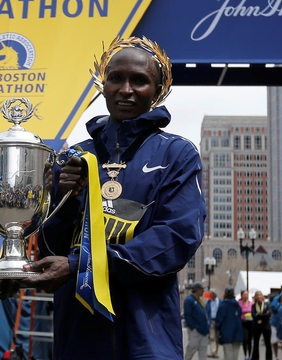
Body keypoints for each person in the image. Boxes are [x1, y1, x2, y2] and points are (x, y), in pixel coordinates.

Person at [15, 36, 206, 358]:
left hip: (146, 335)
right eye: (115, 78)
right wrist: (64, 200)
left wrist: (81, 265)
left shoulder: (177, 153)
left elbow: (177, 238)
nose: (126, 89)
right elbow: (48, 248)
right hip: (78, 334)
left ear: (158, 91)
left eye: (140, 81)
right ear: (102, 84)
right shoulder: (73, 157)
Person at [217, 287, 244, 360]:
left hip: (226, 332)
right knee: (235, 353)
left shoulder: (223, 305)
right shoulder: (237, 305)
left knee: (228, 353)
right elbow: (239, 315)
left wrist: (217, 328)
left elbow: (219, 320)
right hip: (237, 331)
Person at [185, 282, 210, 360]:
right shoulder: (190, 300)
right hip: (196, 330)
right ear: (197, 290)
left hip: (203, 330)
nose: (203, 291)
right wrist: (192, 327)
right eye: (202, 289)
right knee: (191, 348)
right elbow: (187, 314)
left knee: (203, 350)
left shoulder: (199, 300)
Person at [252, 291, 272, 360]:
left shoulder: (267, 305)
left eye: (260, 295)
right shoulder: (253, 306)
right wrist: (263, 315)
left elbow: (268, 315)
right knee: (256, 344)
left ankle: (269, 358)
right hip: (256, 326)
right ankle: (255, 358)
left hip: (266, 326)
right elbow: (254, 315)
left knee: (268, 344)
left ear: (262, 297)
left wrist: (259, 315)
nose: (258, 297)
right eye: (257, 295)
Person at [270, 292, 282, 360]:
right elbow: (273, 309)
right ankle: (276, 357)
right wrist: (281, 303)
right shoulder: (276, 302)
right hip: (275, 323)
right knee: (275, 341)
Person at [239, 289, 254, 359]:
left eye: (247, 294)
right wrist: (244, 313)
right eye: (244, 294)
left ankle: (250, 355)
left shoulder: (251, 303)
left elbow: (253, 311)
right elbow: (239, 312)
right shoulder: (239, 303)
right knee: (245, 338)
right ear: (241, 296)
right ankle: (245, 355)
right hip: (243, 322)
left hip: (250, 322)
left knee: (250, 339)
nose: (246, 296)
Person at [206, 289, 222, 358]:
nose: (210, 295)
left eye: (211, 294)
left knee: (217, 337)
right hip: (211, 320)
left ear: (214, 294)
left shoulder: (220, 302)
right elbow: (206, 311)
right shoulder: (208, 302)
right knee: (212, 337)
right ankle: (213, 351)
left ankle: (215, 352)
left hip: (218, 320)